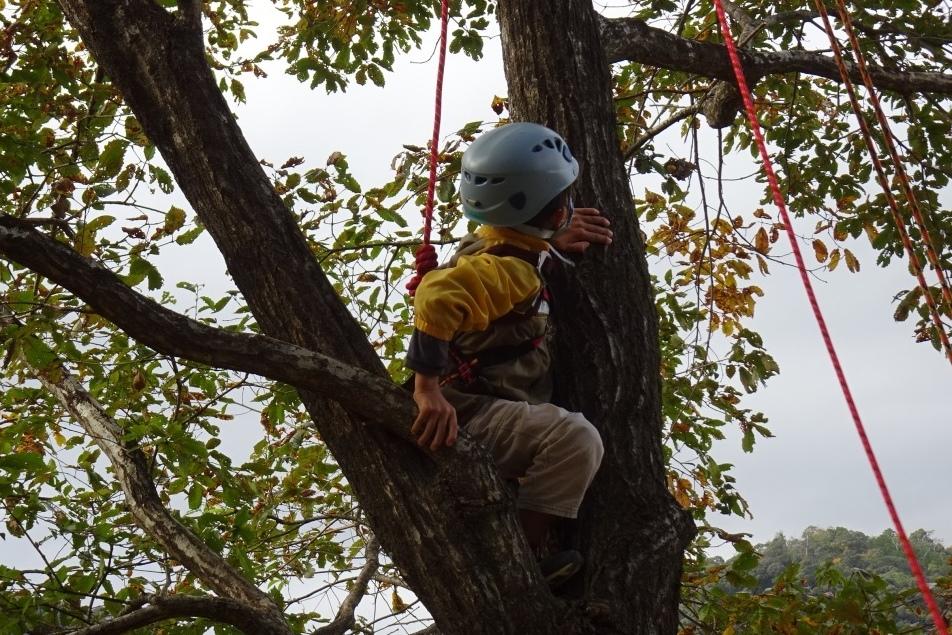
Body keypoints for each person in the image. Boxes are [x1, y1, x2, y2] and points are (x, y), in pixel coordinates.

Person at [406, 122, 612, 587]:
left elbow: (499, 263)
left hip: (478, 403)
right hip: (468, 413)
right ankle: (516, 562)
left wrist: (548, 243)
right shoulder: (510, 271)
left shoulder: (496, 243)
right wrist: (426, 389)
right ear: (558, 208)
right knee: (575, 440)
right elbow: (436, 298)